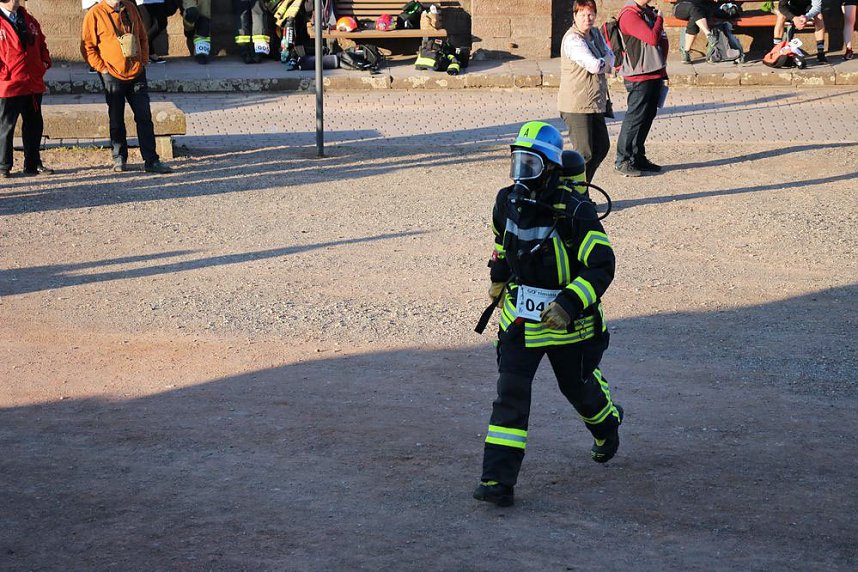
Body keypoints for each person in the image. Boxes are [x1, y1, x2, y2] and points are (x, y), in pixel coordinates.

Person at [473, 121, 623, 507]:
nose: (521, 176)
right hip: (521, 321)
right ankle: (497, 481)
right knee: (511, 393)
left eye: (531, 166)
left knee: (578, 390)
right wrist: (498, 277)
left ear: (552, 168)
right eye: (518, 164)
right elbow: (502, 243)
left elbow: (601, 264)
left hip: (569, 328)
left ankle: (607, 426)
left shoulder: (574, 210)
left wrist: (568, 305)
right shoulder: (506, 201)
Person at [81, 0, 172, 174]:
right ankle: (119, 157)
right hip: (112, 74)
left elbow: (142, 36)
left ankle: (151, 160)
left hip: (136, 72)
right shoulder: (95, 13)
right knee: (116, 118)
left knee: (144, 116)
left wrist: (143, 60)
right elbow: (87, 46)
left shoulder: (130, 8)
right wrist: (102, 68)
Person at [558, 0, 614, 184]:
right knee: (584, 153)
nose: (587, 19)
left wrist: (604, 62)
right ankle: (571, 192)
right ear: (574, 16)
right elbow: (594, 66)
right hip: (576, 104)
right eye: (582, 15)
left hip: (594, 102)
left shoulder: (595, 34)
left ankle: (582, 188)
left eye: (590, 14)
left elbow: (612, 57)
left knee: (602, 147)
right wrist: (604, 62)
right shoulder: (573, 39)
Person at [613, 0, 668, 178]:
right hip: (639, 76)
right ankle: (623, 160)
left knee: (647, 116)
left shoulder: (645, 12)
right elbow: (652, 38)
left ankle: (637, 157)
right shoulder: (629, 15)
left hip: (653, 73)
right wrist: (660, 19)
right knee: (635, 118)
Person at [0, 0, 52, 178]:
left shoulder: (28, 18)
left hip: (32, 83)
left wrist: (44, 62)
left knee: (34, 125)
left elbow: (41, 43)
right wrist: (3, 73)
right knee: (6, 126)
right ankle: (3, 166)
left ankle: (32, 163)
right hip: (9, 84)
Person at [673, 0, 739, 63]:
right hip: (682, 6)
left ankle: (686, 52)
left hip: (702, 9)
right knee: (694, 9)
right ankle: (708, 34)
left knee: (694, 17)